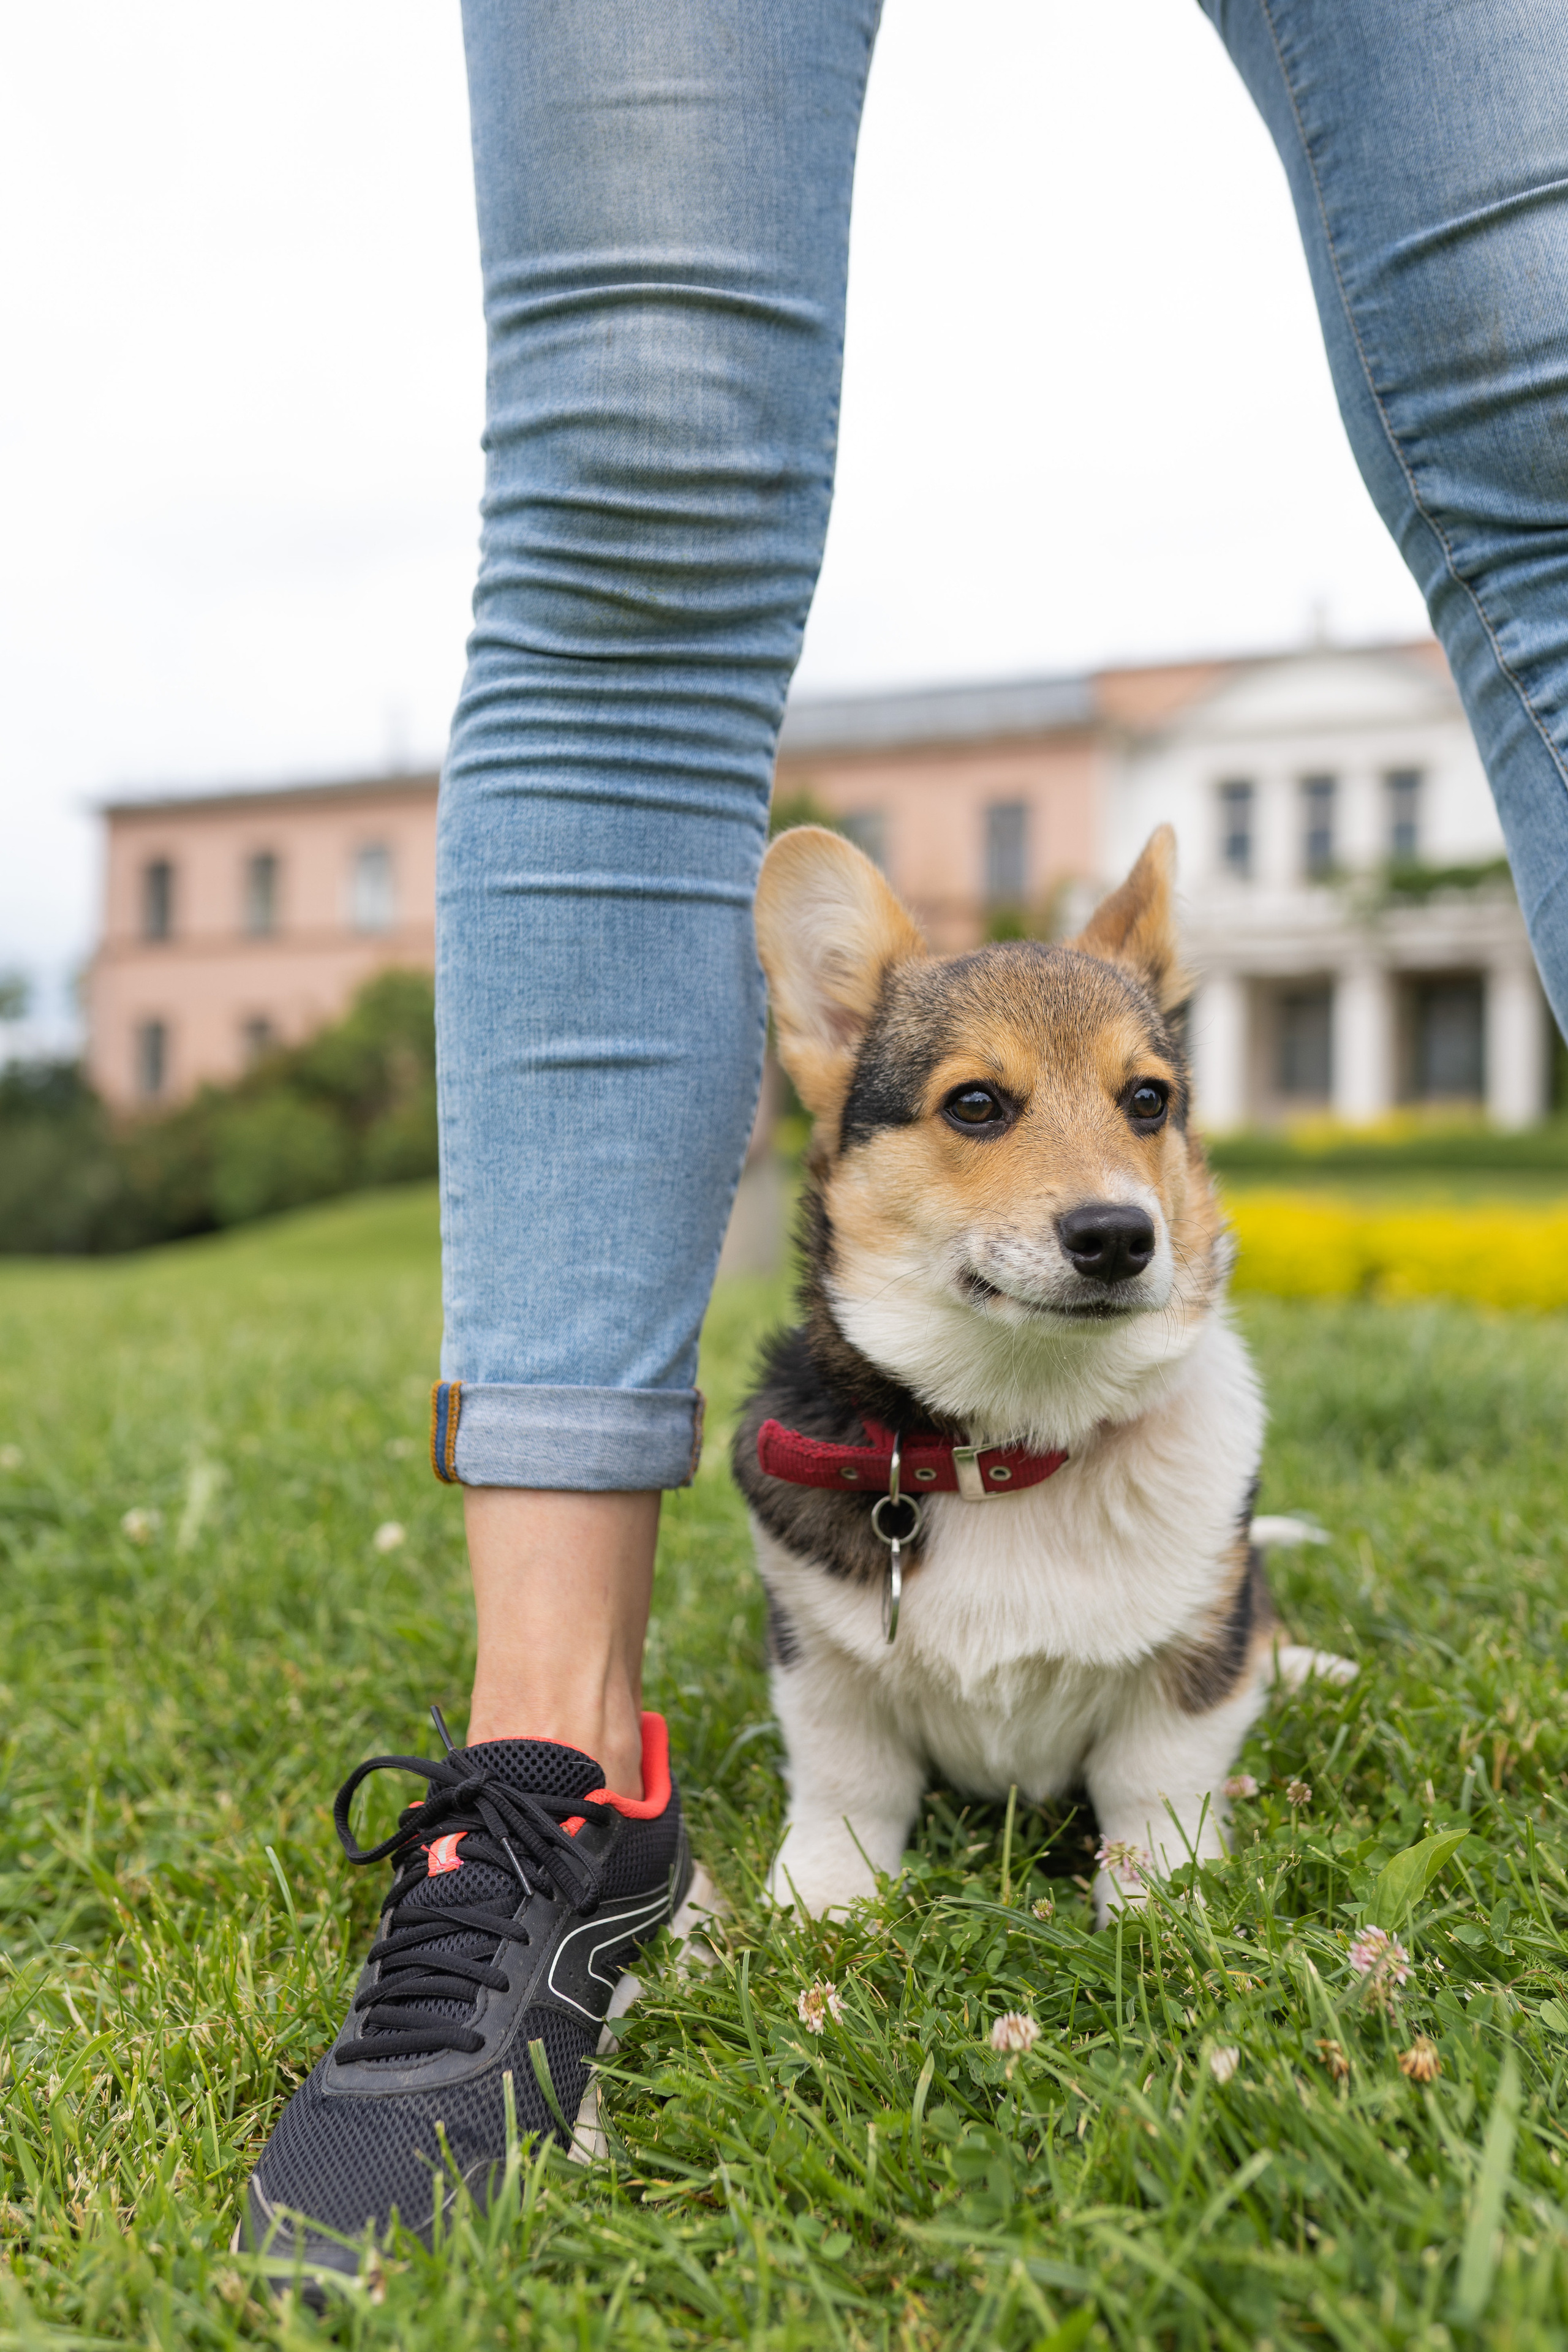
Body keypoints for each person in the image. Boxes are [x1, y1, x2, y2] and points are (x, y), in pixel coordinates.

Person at [243, 0, 1568, 2278]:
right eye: (982, 1110)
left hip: (1124, 1570)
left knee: (1541, 337)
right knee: (644, 430)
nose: (1108, 1179)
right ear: (843, 1082)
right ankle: (555, 1768)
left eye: (1143, 1109)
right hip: (891, 1535)